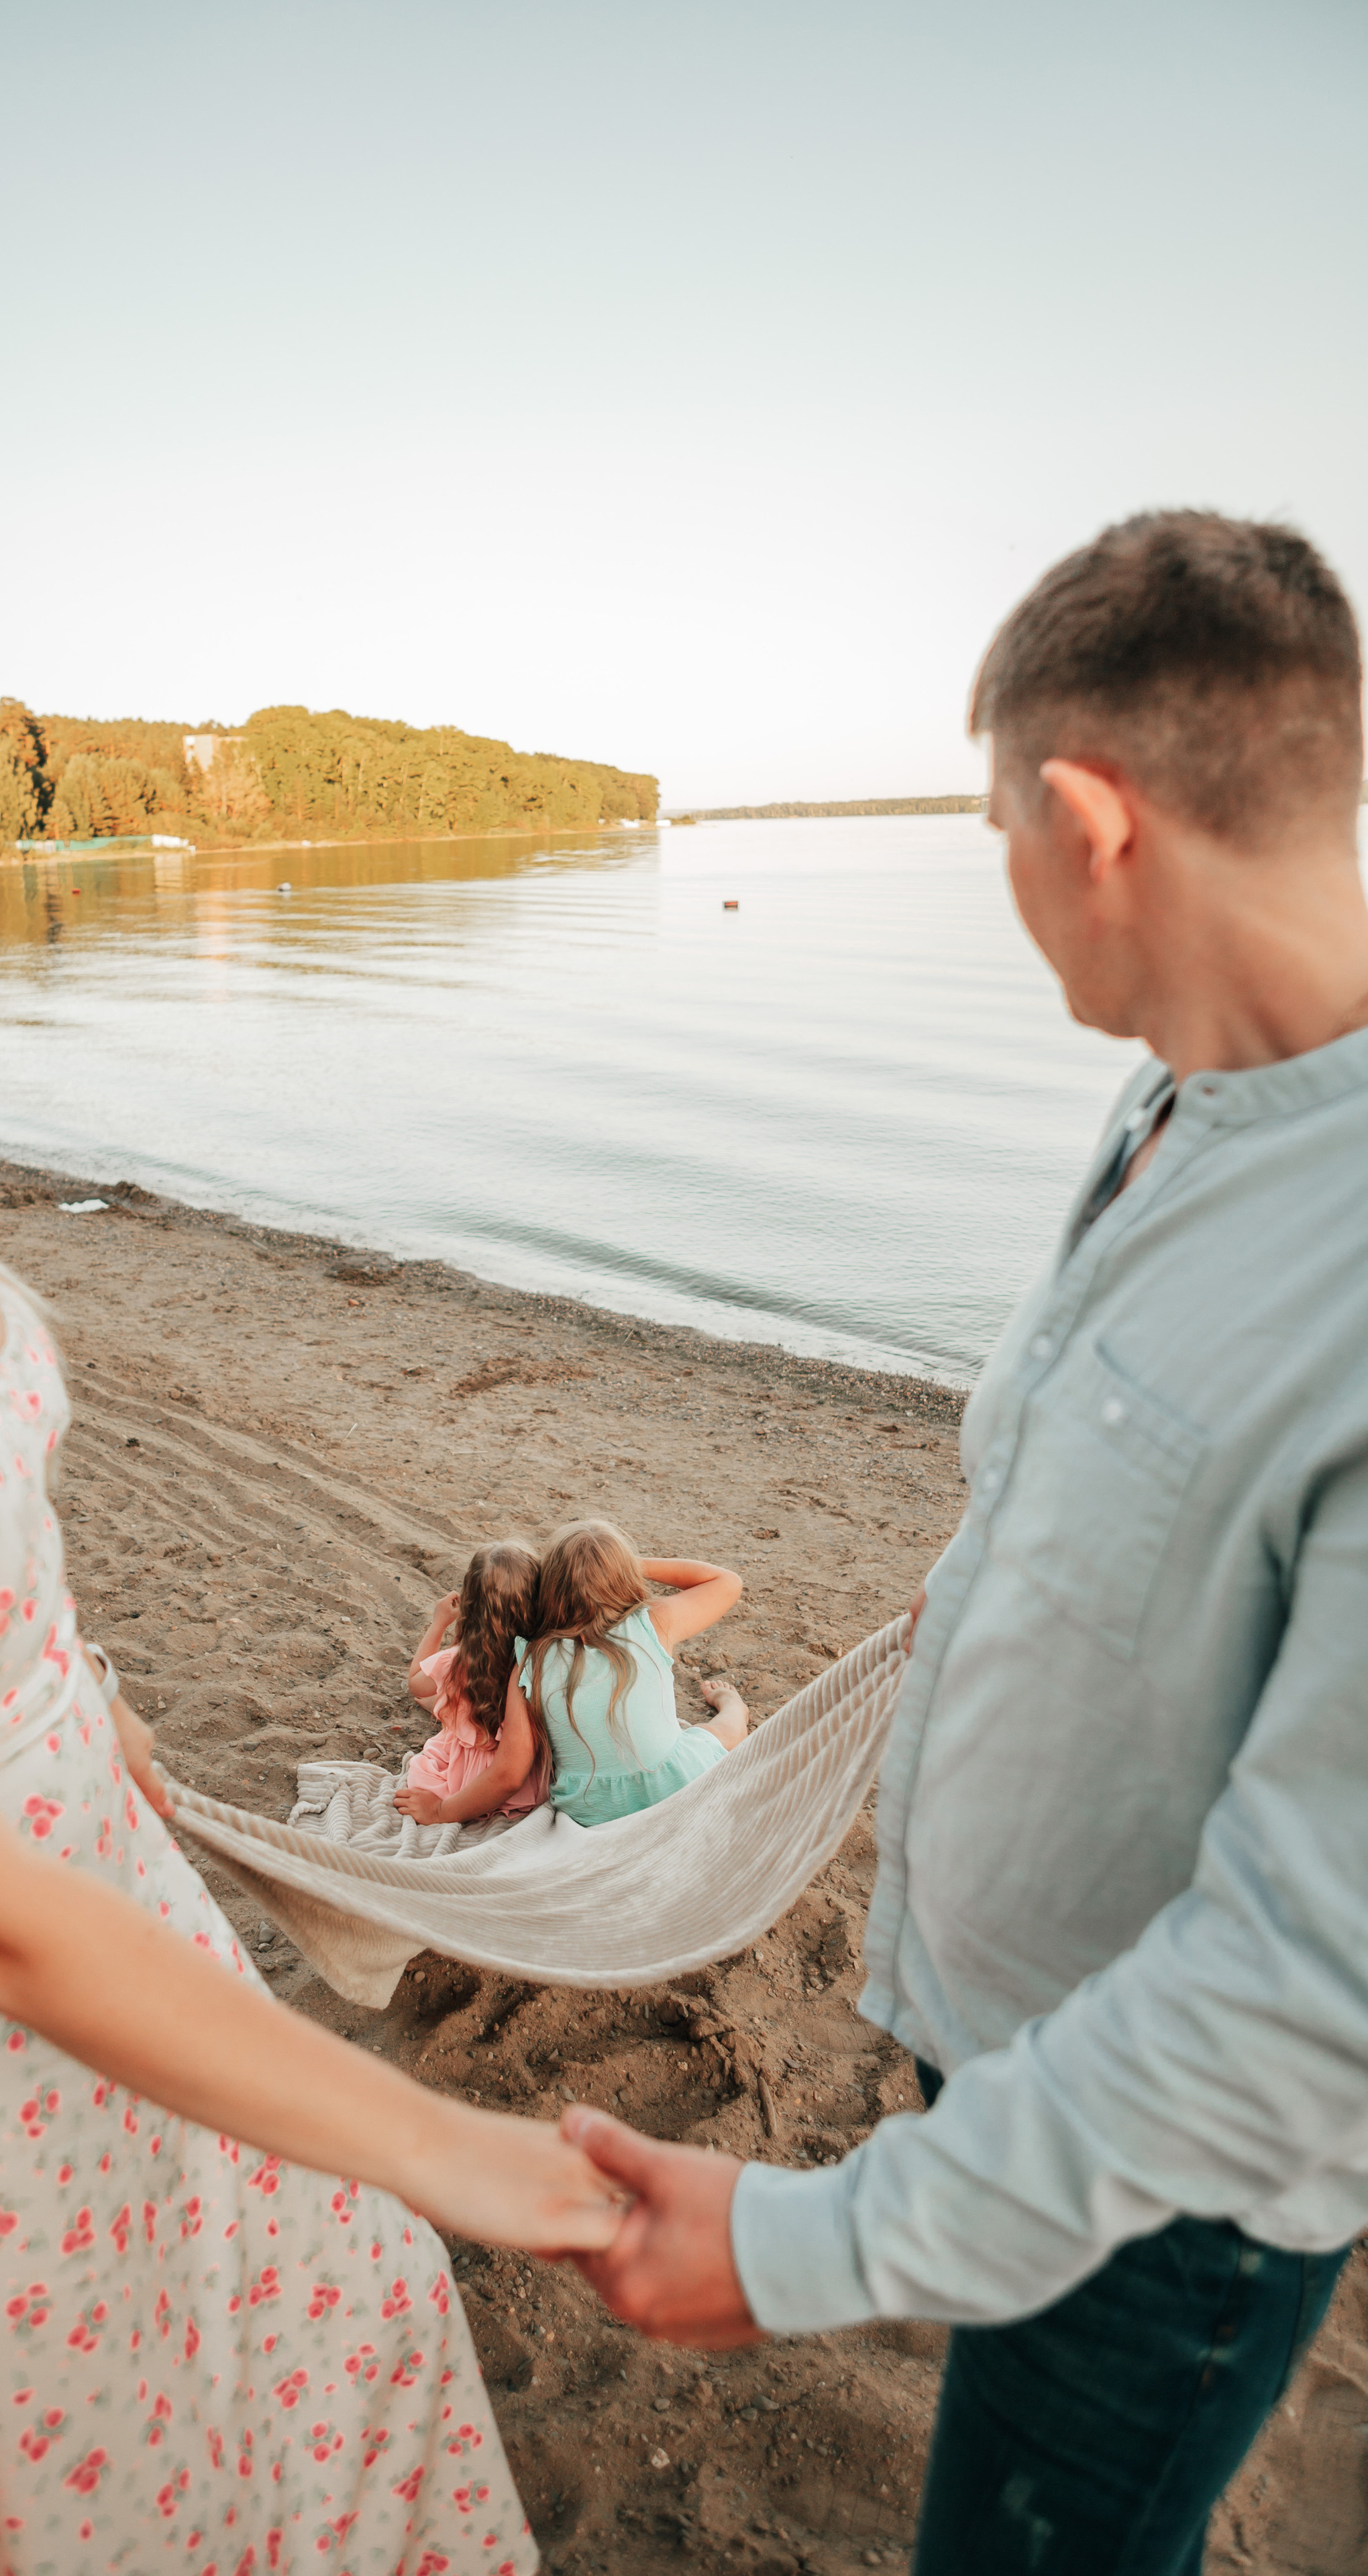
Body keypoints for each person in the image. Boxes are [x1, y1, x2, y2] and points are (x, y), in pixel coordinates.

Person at [0, 592, 622, 2571]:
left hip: (110, 1877)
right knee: (138, 2476)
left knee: (328, 2335)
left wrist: (95, 1720)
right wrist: (506, 2167)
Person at [564, 512, 1368, 2574]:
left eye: (993, 828)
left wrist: (812, 2239)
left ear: (1089, 819)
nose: (1001, 891)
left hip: (1163, 2190)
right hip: (1000, 2068)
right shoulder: (1177, 1095)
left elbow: (1298, 1985)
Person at [520, 1520, 747, 1827]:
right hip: (676, 1786)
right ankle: (734, 1705)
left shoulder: (533, 1654)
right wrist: (629, 1565)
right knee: (720, 1732)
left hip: (590, 1810)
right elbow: (727, 1581)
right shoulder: (652, 1622)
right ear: (624, 1574)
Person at [392, 1546, 545, 1827]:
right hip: (534, 1777)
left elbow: (416, 1683)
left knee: (437, 1697)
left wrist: (439, 1623)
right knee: (443, 1698)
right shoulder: (545, 1657)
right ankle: (445, 1707)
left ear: (470, 1604)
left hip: (474, 1779)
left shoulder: (459, 1661)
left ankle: (446, 1708)